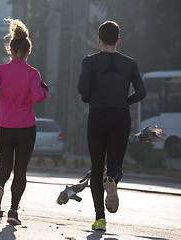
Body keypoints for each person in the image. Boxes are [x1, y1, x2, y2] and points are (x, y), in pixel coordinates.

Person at [77, 21, 146, 231]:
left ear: (98, 40)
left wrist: (88, 97)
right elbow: (141, 92)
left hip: (98, 115)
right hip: (120, 116)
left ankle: (100, 219)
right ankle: (112, 179)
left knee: (96, 167)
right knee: (115, 164)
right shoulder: (130, 63)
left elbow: (82, 86)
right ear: (118, 40)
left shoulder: (89, 61)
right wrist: (125, 101)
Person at [0, 18, 48, 225]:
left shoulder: (1, 70)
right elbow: (38, 97)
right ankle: (13, 212)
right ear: (28, 52)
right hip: (26, 127)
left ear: (10, 50)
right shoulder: (33, 73)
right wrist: (44, 89)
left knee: (5, 165)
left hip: (5, 125)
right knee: (20, 170)